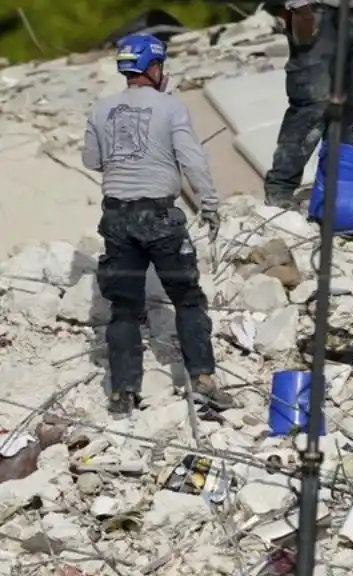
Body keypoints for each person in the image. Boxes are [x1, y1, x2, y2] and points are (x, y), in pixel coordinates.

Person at [82, 34, 234, 416]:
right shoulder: (172, 108)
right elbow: (192, 161)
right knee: (187, 299)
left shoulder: (101, 109)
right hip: (162, 219)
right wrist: (210, 204)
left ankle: (122, 392)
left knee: (123, 307)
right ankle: (202, 380)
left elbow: (91, 159)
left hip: (116, 220)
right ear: (154, 67)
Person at [263, 0, 353, 209]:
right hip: (317, 11)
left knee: (352, 111)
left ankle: (335, 191)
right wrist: (301, 8)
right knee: (312, 105)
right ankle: (281, 189)